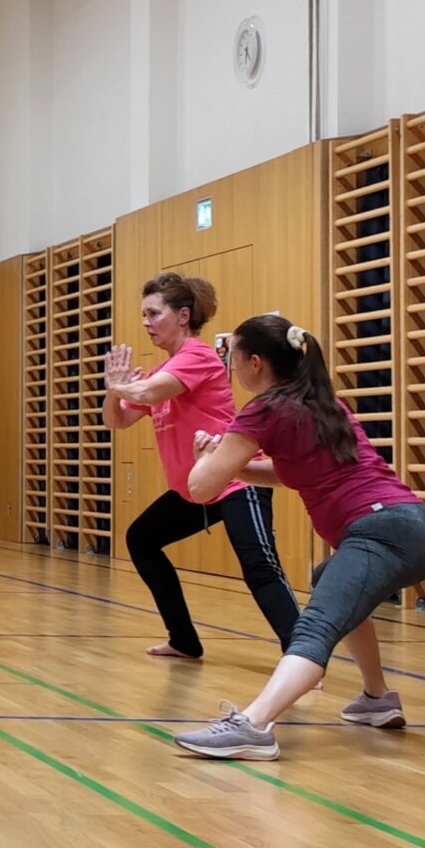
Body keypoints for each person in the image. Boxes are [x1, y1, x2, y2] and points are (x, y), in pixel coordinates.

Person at [171, 313, 425, 761]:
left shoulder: (264, 409)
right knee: (328, 580)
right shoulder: (323, 404)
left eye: (233, 356)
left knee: (315, 625)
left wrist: (207, 459)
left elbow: (201, 489)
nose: (230, 366)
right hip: (415, 526)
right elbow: (289, 473)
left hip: (379, 531)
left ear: (255, 362)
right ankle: (377, 698)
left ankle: (254, 725)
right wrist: (230, 462)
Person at [105, 272, 300, 659]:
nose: (145, 323)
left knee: (260, 566)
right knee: (142, 540)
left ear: (182, 316)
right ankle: (183, 640)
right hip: (197, 489)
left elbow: (148, 392)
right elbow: (118, 420)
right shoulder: (162, 371)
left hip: (236, 480)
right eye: (143, 315)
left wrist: (122, 385)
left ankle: (303, 655)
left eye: (153, 314)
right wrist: (114, 391)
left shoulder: (197, 356)